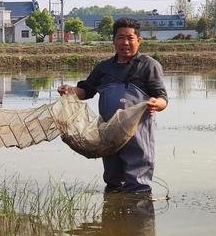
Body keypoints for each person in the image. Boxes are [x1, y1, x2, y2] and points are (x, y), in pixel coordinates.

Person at [58, 18, 168, 193]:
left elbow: (162, 98)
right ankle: (112, 215)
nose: (125, 42)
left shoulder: (149, 66)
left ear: (138, 40)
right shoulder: (104, 67)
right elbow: (86, 91)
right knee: (113, 181)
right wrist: (70, 91)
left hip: (137, 134)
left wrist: (157, 104)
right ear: (113, 40)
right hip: (109, 132)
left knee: (138, 184)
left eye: (130, 38)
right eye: (120, 37)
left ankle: (138, 213)